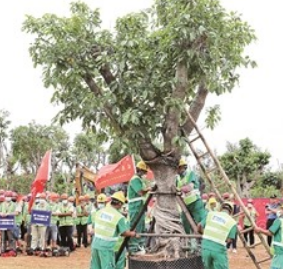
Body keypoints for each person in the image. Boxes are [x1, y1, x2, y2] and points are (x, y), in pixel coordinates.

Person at [90, 191, 137, 269]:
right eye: (122, 204)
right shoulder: (119, 217)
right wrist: (133, 234)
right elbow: (123, 233)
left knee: (96, 267)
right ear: (119, 204)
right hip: (106, 247)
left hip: (95, 244)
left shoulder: (100, 212)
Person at [198, 202, 237, 269]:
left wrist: (206, 234)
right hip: (218, 249)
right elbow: (229, 240)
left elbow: (199, 226)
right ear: (231, 212)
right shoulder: (232, 222)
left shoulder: (210, 214)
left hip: (205, 247)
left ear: (220, 208)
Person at [127, 160, 151, 255]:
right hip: (135, 206)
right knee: (135, 226)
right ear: (139, 170)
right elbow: (140, 192)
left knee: (141, 226)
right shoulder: (135, 179)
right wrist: (148, 189)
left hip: (139, 206)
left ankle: (140, 245)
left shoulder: (139, 179)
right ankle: (133, 248)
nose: (145, 173)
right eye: (144, 171)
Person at [176, 158, 206, 234]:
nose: (178, 170)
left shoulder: (190, 174)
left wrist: (179, 189)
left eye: (180, 167)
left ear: (183, 167)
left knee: (202, 221)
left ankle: (204, 239)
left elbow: (189, 187)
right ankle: (188, 242)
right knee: (184, 223)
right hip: (185, 205)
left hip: (195, 202)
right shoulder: (178, 179)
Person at [255, 205, 283, 269]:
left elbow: (270, 233)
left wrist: (260, 229)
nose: (280, 211)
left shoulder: (279, 221)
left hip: (280, 249)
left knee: (276, 267)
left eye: (281, 210)